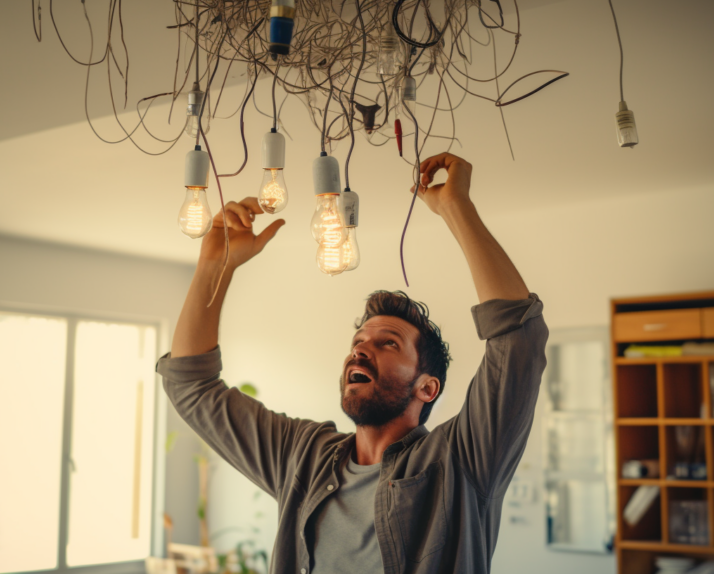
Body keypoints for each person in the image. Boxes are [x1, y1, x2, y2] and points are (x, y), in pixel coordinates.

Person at [156, 152, 548, 574]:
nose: (359, 350)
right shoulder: (302, 457)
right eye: (358, 341)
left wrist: (457, 207)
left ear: (427, 387)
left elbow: (517, 340)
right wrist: (214, 266)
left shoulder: (459, 462)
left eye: (388, 343)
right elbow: (191, 387)